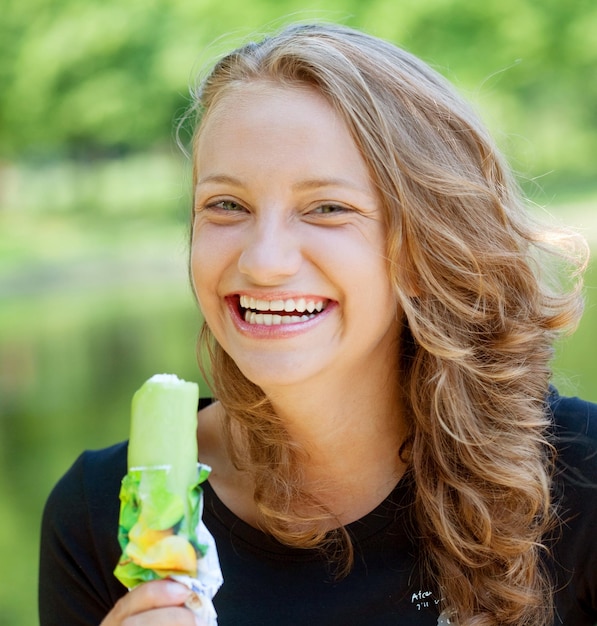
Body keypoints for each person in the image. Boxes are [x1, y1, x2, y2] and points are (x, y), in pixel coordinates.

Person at [39, 22, 597, 626]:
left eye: (327, 208)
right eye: (226, 205)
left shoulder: (578, 480)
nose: (264, 261)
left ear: (426, 245)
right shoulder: (95, 517)